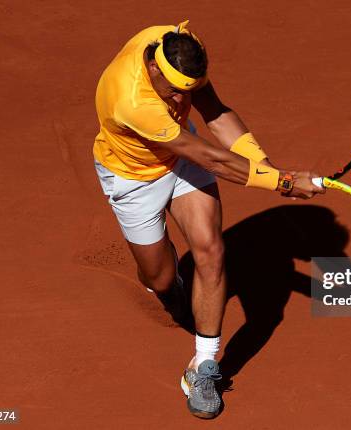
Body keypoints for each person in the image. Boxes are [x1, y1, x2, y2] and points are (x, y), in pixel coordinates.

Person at [92, 20, 324, 419]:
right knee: (160, 279)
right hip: (133, 178)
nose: (183, 100)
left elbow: (214, 113)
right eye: (175, 92)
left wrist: (269, 169)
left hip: (181, 159)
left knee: (212, 252)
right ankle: (168, 282)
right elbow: (213, 157)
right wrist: (283, 183)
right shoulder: (131, 100)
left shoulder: (180, 47)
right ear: (152, 71)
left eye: (188, 90)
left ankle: (203, 367)